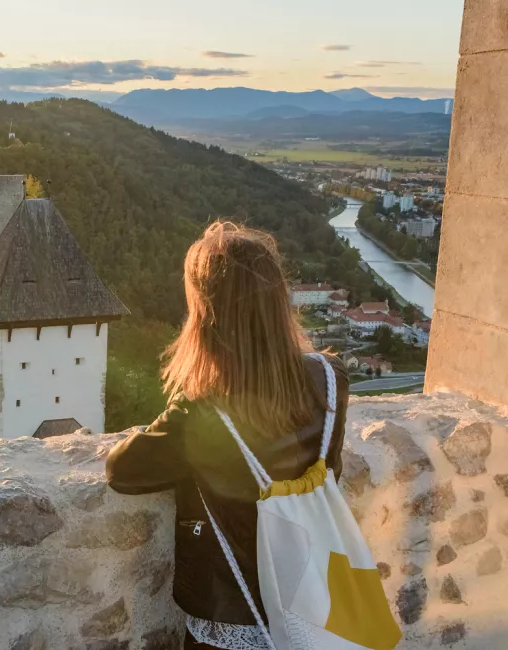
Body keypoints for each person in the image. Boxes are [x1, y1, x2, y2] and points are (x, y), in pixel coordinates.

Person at [105, 221, 349, 649]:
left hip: (231, 614)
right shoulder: (330, 377)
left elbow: (122, 471)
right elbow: (329, 470)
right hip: (309, 598)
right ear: (277, 299)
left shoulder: (203, 411)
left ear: (206, 311)